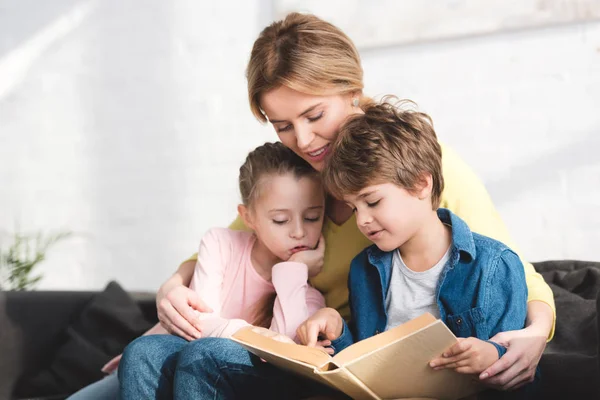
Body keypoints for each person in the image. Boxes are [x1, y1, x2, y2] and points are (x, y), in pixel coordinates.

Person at [70, 12, 555, 399]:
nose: (302, 139)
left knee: (199, 361)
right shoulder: (300, 174)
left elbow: (512, 269)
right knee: (133, 362)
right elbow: (242, 240)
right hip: (273, 339)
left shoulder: (411, 167)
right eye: (281, 125)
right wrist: (172, 287)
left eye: (314, 114)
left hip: (327, 359)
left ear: (352, 90)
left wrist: (533, 335)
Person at [297, 100, 538, 399]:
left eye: (372, 202)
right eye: (353, 207)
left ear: (421, 184)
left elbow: (516, 365)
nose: (362, 220)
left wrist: (492, 355)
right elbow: (362, 366)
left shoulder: (493, 265)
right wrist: (336, 328)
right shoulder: (365, 270)